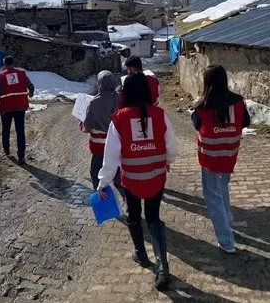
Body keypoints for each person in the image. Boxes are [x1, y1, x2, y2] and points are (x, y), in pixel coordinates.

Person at [98, 72, 177, 291]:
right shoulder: (160, 115)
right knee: (154, 217)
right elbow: (171, 146)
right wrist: (167, 161)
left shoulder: (119, 118)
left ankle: (141, 254)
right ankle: (162, 264)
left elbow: (111, 155)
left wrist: (103, 181)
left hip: (131, 179)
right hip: (156, 176)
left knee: (134, 216)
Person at [191, 65, 250, 254]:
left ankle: (226, 240)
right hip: (229, 156)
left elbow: (196, 124)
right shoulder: (238, 102)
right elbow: (246, 122)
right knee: (223, 188)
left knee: (212, 197)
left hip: (209, 159)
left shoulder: (202, 106)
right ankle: (228, 221)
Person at [80, 70, 125, 198]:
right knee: (117, 175)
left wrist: (81, 123)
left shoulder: (93, 103)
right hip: (116, 143)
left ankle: (103, 201)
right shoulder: (118, 98)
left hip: (99, 145)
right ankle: (128, 201)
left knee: (96, 173)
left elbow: (86, 128)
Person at [0, 56, 35, 165]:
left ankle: (6, 150)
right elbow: (31, 86)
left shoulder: (1, 76)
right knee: (20, 132)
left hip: (5, 108)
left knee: (5, 130)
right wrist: (30, 93)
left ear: (4, 64)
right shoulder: (22, 74)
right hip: (20, 107)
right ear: (13, 63)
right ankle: (21, 157)